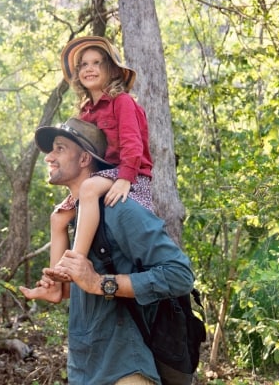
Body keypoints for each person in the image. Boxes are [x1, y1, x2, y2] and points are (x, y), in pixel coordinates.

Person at [24, 117, 195, 385]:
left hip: (126, 370)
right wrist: (61, 287)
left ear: (83, 160)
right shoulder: (75, 217)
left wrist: (101, 283)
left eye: (59, 148)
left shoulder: (119, 208)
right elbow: (84, 284)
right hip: (85, 369)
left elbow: (180, 275)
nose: (49, 158)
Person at [22, 35, 154, 303]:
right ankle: (54, 287)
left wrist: (125, 178)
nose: (89, 69)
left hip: (131, 175)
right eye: (83, 65)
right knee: (58, 217)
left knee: (89, 187)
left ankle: (76, 260)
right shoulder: (86, 113)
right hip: (102, 175)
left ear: (112, 69)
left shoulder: (122, 102)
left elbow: (133, 144)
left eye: (97, 63)